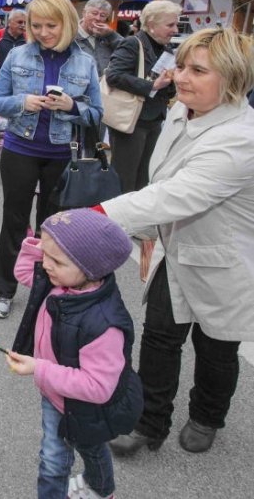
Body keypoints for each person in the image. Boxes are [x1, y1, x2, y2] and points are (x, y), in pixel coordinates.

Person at [100, 28, 254, 456]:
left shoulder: (241, 139)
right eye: (181, 64)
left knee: (216, 346)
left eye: (197, 70)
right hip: (175, 248)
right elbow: (161, 178)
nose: (180, 76)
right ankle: (149, 422)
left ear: (234, 79)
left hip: (223, 260)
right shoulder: (179, 112)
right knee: (160, 337)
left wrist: (98, 216)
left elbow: (177, 194)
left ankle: (207, 416)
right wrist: (148, 232)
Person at [7, 209, 140, 499]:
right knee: (76, 450)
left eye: (56, 260)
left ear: (89, 268)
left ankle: (101, 489)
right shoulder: (60, 280)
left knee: (64, 458)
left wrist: (39, 369)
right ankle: (98, 486)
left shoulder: (104, 325)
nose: (46, 265)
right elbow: (22, 272)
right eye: (46, 255)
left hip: (88, 406)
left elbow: (98, 387)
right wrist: (40, 245)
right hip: (56, 394)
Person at [0, 0, 102, 319]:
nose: (43, 32)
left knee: (52, 227)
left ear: (66, 23)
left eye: (51, 25)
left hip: (62, 154)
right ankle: (4, 289)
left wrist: (71, 107)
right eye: (36, 25)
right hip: (20, 148)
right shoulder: (17, 56)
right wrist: (23, 102)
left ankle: (45, 290)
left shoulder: (85, 62)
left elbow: (96, 113)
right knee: (14, 222)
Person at [105, 0, 180, 193]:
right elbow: (114, 76)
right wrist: (151, 85)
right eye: (170, 25)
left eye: (176, 24)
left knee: (143, 176)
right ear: (153, 25)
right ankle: (117, 219)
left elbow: (163, 88)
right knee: (125, 177)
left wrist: (172, 82)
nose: (175, 29)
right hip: (131, 120)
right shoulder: (132, 43)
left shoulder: (166, 49)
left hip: (153, 119)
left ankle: (134, 220)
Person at [75, 0, 122, 153]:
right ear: (84, 13)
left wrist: (111, 35)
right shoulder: (71, 36)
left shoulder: (107, 37)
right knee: (72, 143)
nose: (97, 18)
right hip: (76, 96)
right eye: (94, 13)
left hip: (101, 98)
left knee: (94, 143)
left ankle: (88, 173)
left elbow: (129, 50)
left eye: (102, 16)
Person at [0, 9, 27, 85]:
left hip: (20, 85)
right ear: (9, 22)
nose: (23, 25)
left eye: (25, 23)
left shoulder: (28, 39)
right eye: (20, 22)